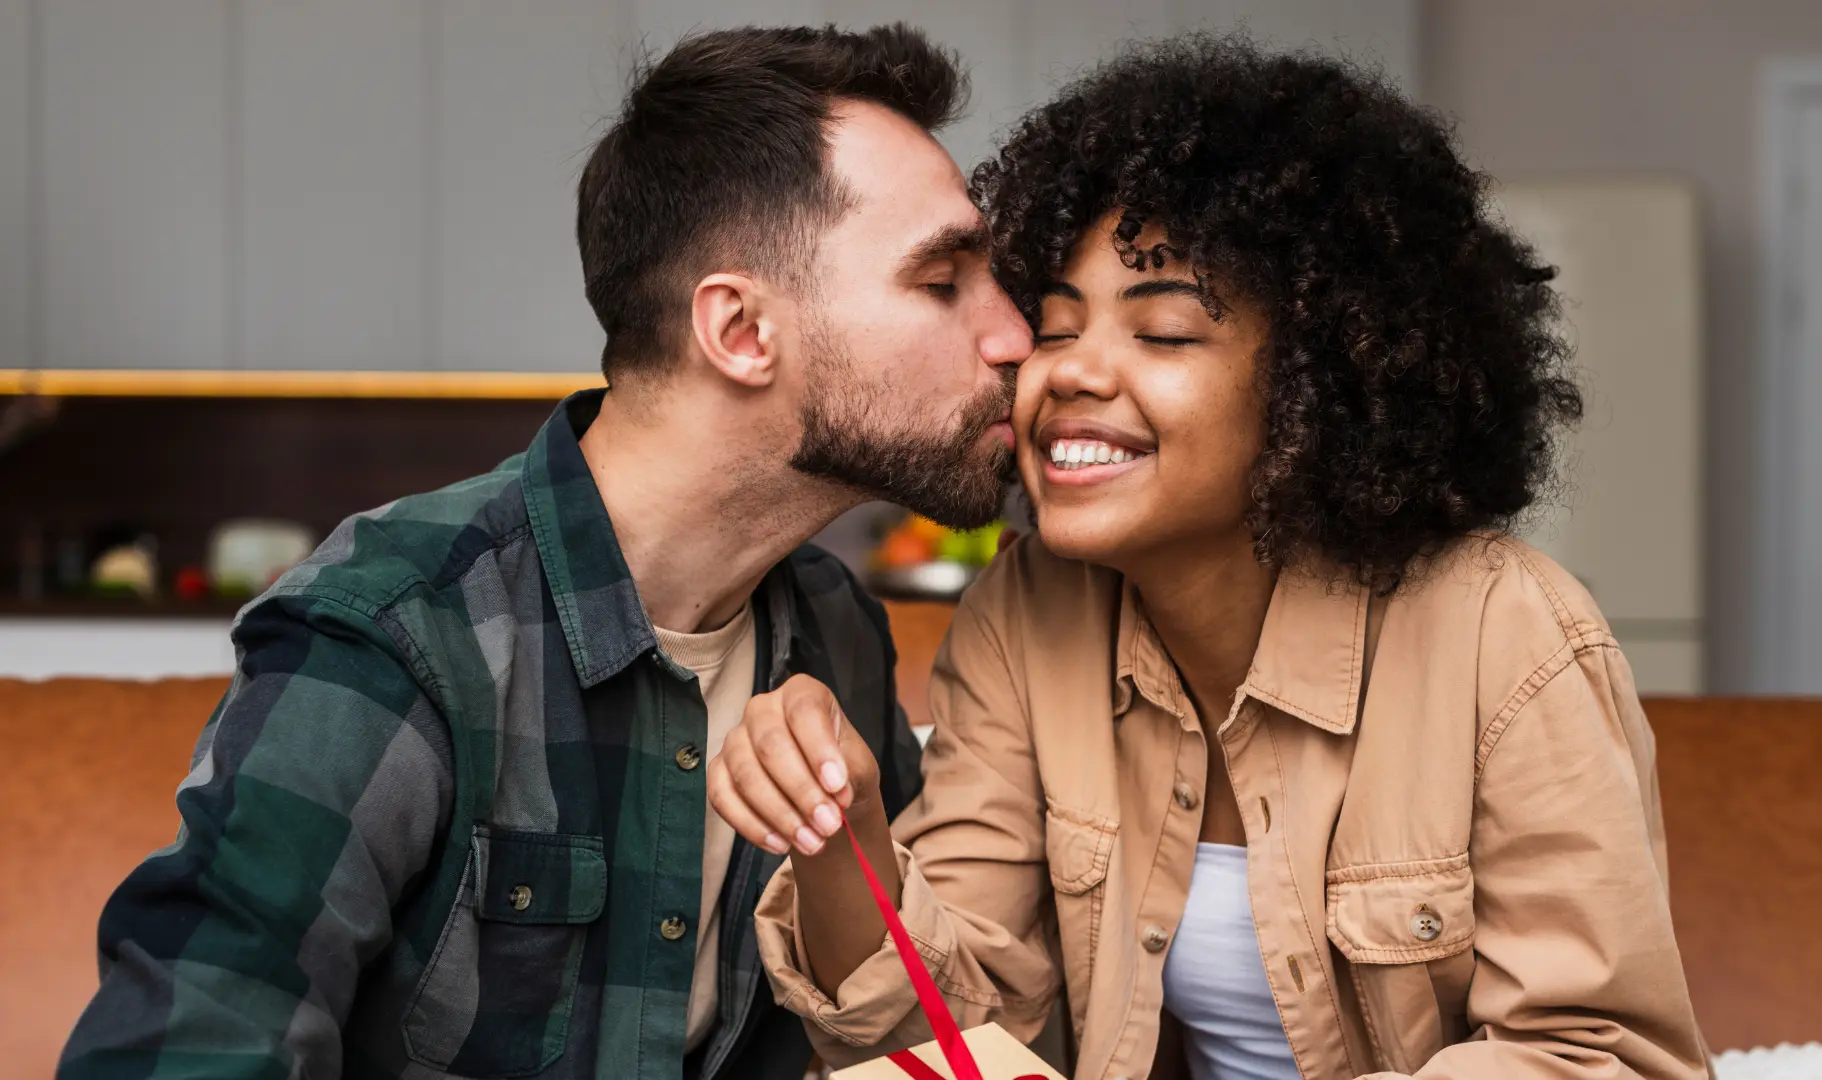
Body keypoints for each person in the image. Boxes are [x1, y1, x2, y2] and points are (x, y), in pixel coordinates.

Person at [713, 35, 1713, 1080]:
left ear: (1316, 385)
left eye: (1167, 335)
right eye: (1054, 328)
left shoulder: (1505, 634)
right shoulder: (1027, 612)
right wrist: (844, 838)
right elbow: (955, 1046)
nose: (1072, 373)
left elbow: (1601, 1057)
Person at [59, 23, 1032, 1080]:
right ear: (741, 331)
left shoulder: (836, 634)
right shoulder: (394, 634)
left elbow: (912, 1049)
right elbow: (180, 1053)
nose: (1013, 336)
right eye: (943, 281)